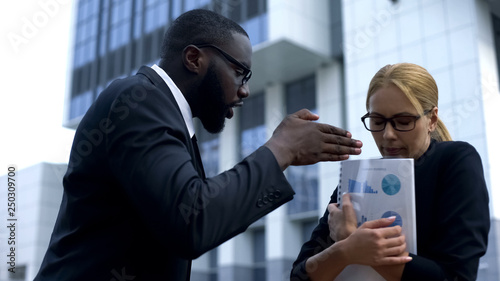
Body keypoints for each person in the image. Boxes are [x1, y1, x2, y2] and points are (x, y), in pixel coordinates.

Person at [34, 9, 363, 281]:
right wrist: (281, 150)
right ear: (194, 58)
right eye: (240, 73)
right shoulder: (137, 101)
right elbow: (191, 219)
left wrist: (281, 155)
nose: (245, 90)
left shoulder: (162, 113)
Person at [290, 63, 490, 281]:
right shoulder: (358, 177)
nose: (387, 135)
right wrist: (346, 250)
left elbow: (455, 276)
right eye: (377, 121)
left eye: (403, 122)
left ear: (431, 119)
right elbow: (299, 276)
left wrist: (354, 241)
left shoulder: (454, 161)